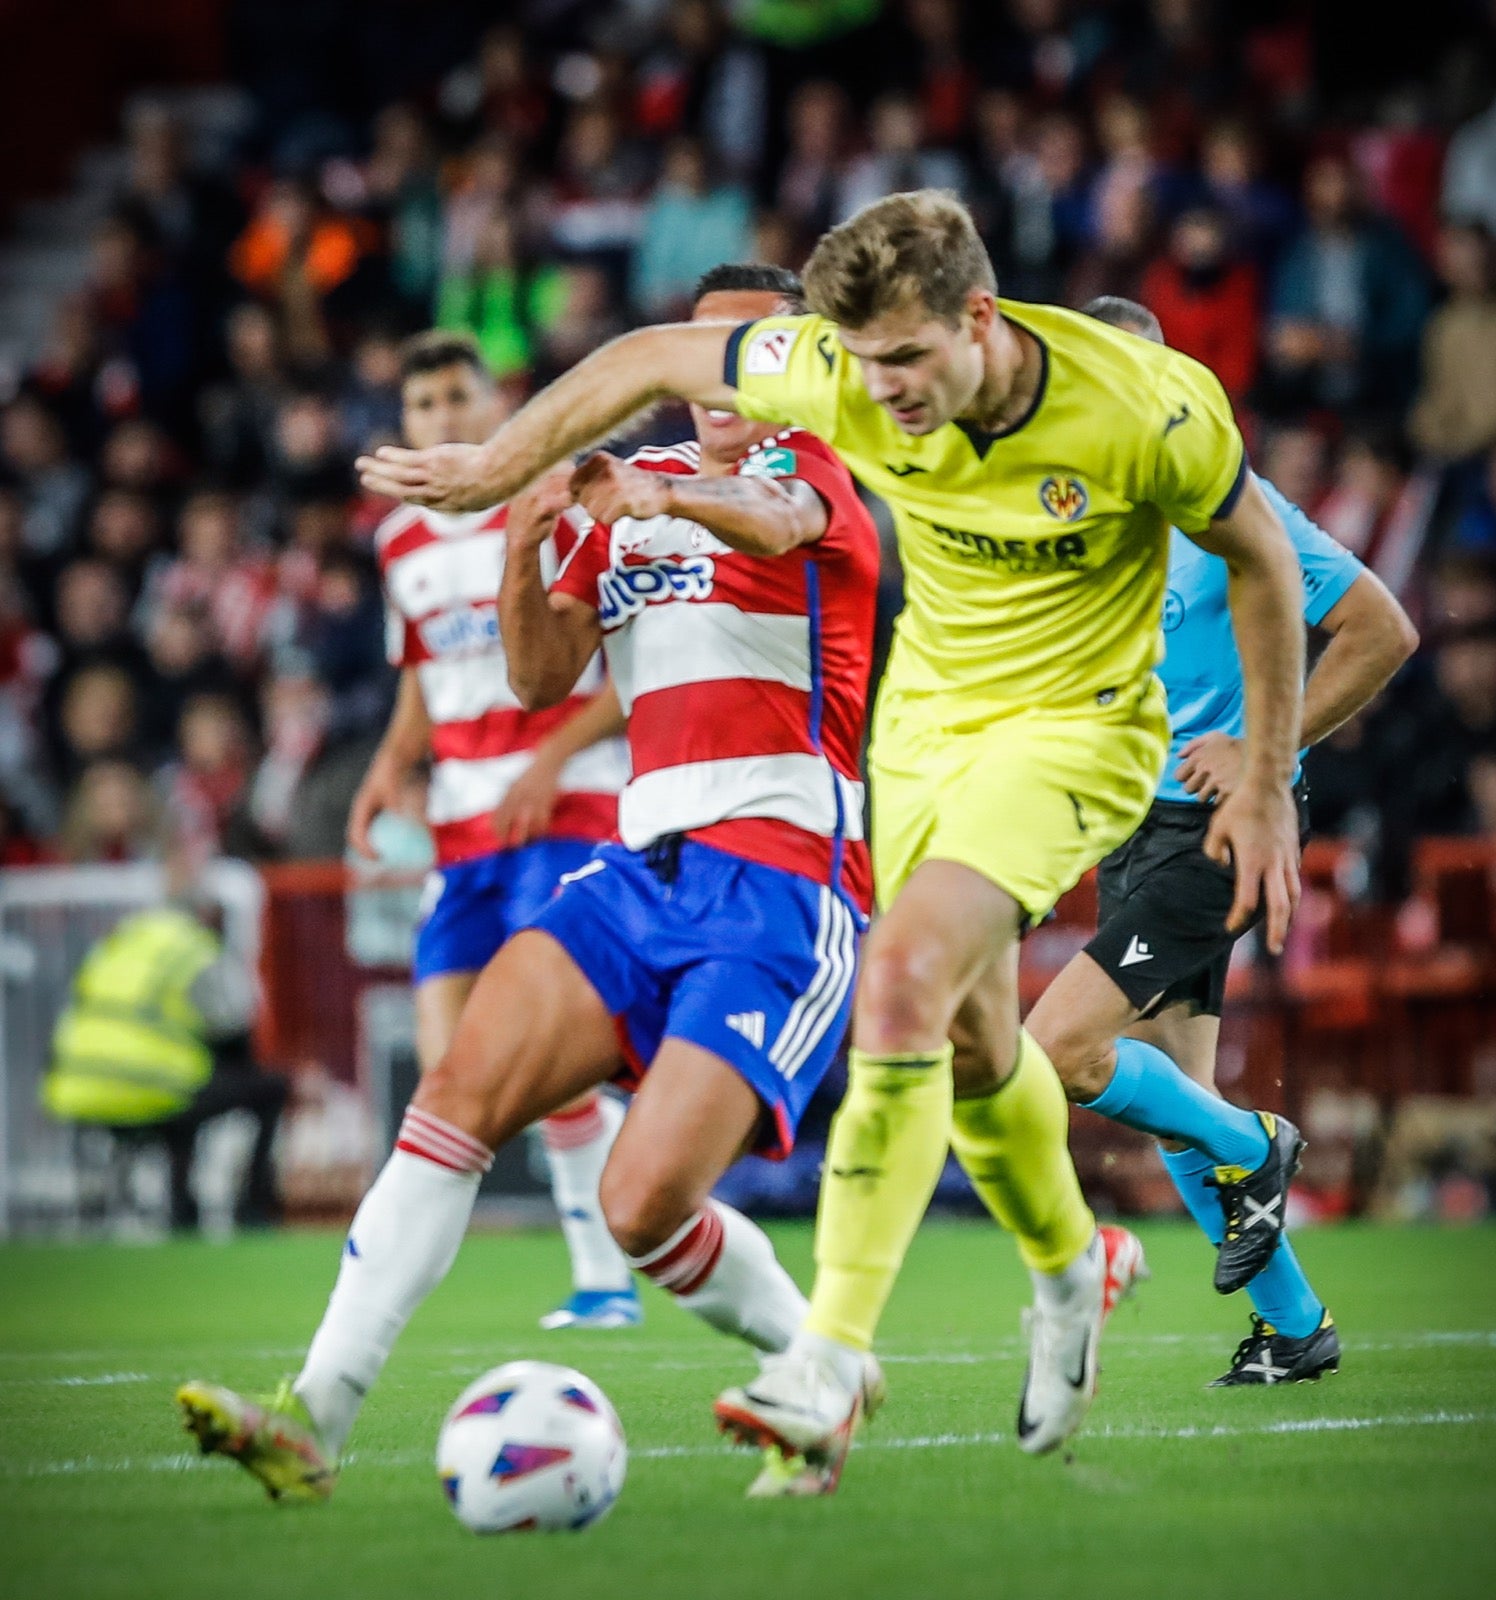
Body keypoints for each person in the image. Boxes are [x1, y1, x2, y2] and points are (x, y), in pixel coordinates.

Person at [355, 190, 1306, 1486]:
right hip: (924, 732)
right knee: (979, 1048)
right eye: (864, 364)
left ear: (982, 318)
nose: (885, 393)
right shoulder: (843, 367)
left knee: (901, 981)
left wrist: (1263, 774)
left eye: (911, 359)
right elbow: (643, 357)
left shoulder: (1148, 405)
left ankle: (824, 1360)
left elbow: (1261, 560)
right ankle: (1071, 1266)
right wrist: (496, 468)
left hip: (1072, 732)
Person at [176, 265, 884, 1503]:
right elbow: (542, 674)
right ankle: (314, 1418)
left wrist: (639, 489)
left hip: (780, 880)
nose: (716, 377)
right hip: (638, 870)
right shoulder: (623, 502)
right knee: (455, 1095)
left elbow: (766, 526)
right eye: (697, 352)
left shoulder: (817, 476)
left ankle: (817, 1365)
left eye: (747, 352)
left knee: (642, 1200)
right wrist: (522, 539)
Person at [1027, 297, 1418, 1385]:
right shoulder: (1074, 518)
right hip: (1131, 827)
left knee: (1056, 1048)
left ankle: (1261, 1144)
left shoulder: (1231, 504)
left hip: (1214, 832)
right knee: (1166, 1104)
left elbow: (1380, 629)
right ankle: (1293, 1328)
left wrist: (1256, 750)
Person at [351, 330, 637, 1331]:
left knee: (536, 1056)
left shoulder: (553, 504)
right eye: (421, 405)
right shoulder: (397, 541)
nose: (440, 418)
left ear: (496, 403)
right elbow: (425, 677)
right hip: (461, 831)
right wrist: (389, 765)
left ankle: (606, 1280)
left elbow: (627, 667)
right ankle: (402, 1295)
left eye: (456, 398)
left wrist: (551, 759)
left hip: (569, 807)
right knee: (449, 1077)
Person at [42, 889, 287, 1230]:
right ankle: (251, 1208)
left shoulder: (120, 943)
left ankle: (178, 1207)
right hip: (150, 1089)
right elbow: (233, 1031)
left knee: (187, 1087)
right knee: (264, 1089)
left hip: (78, 1091)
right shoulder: (194, 950)